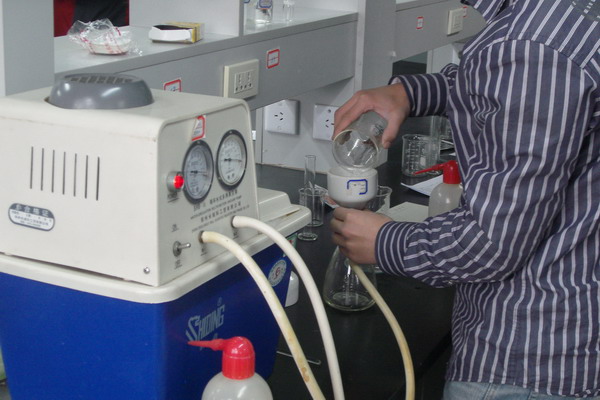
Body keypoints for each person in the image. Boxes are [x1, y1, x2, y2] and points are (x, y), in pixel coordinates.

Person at [330, 0, 600, 398]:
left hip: (524, 358)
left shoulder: (533, 46)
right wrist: (409, 92)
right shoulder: (551, 18)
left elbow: (493, 243)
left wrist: (385, 242)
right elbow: (497, 87)